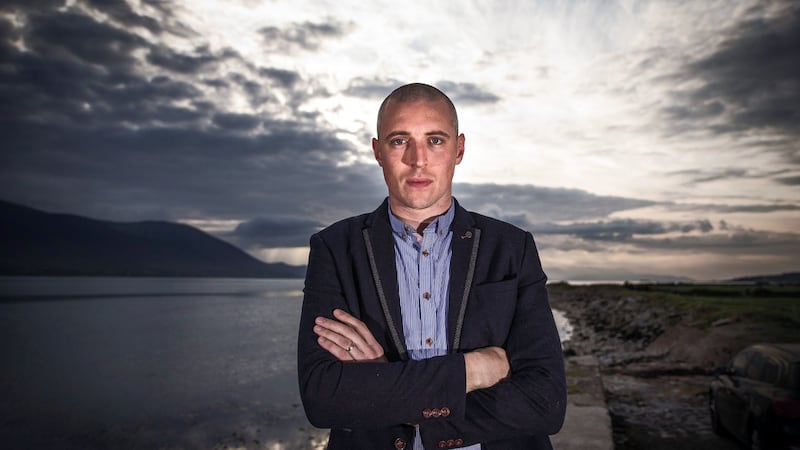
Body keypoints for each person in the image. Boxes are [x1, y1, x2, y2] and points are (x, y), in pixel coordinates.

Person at [297, 83, 566, 450]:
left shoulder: (511, 247)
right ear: (378, 152)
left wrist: (391, 390)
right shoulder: (335, 248)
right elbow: (322, 396)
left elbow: (546, 402)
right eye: (399, 141)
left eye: (435, 140)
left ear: (459, 149)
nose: (417, 159)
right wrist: (471, 371)